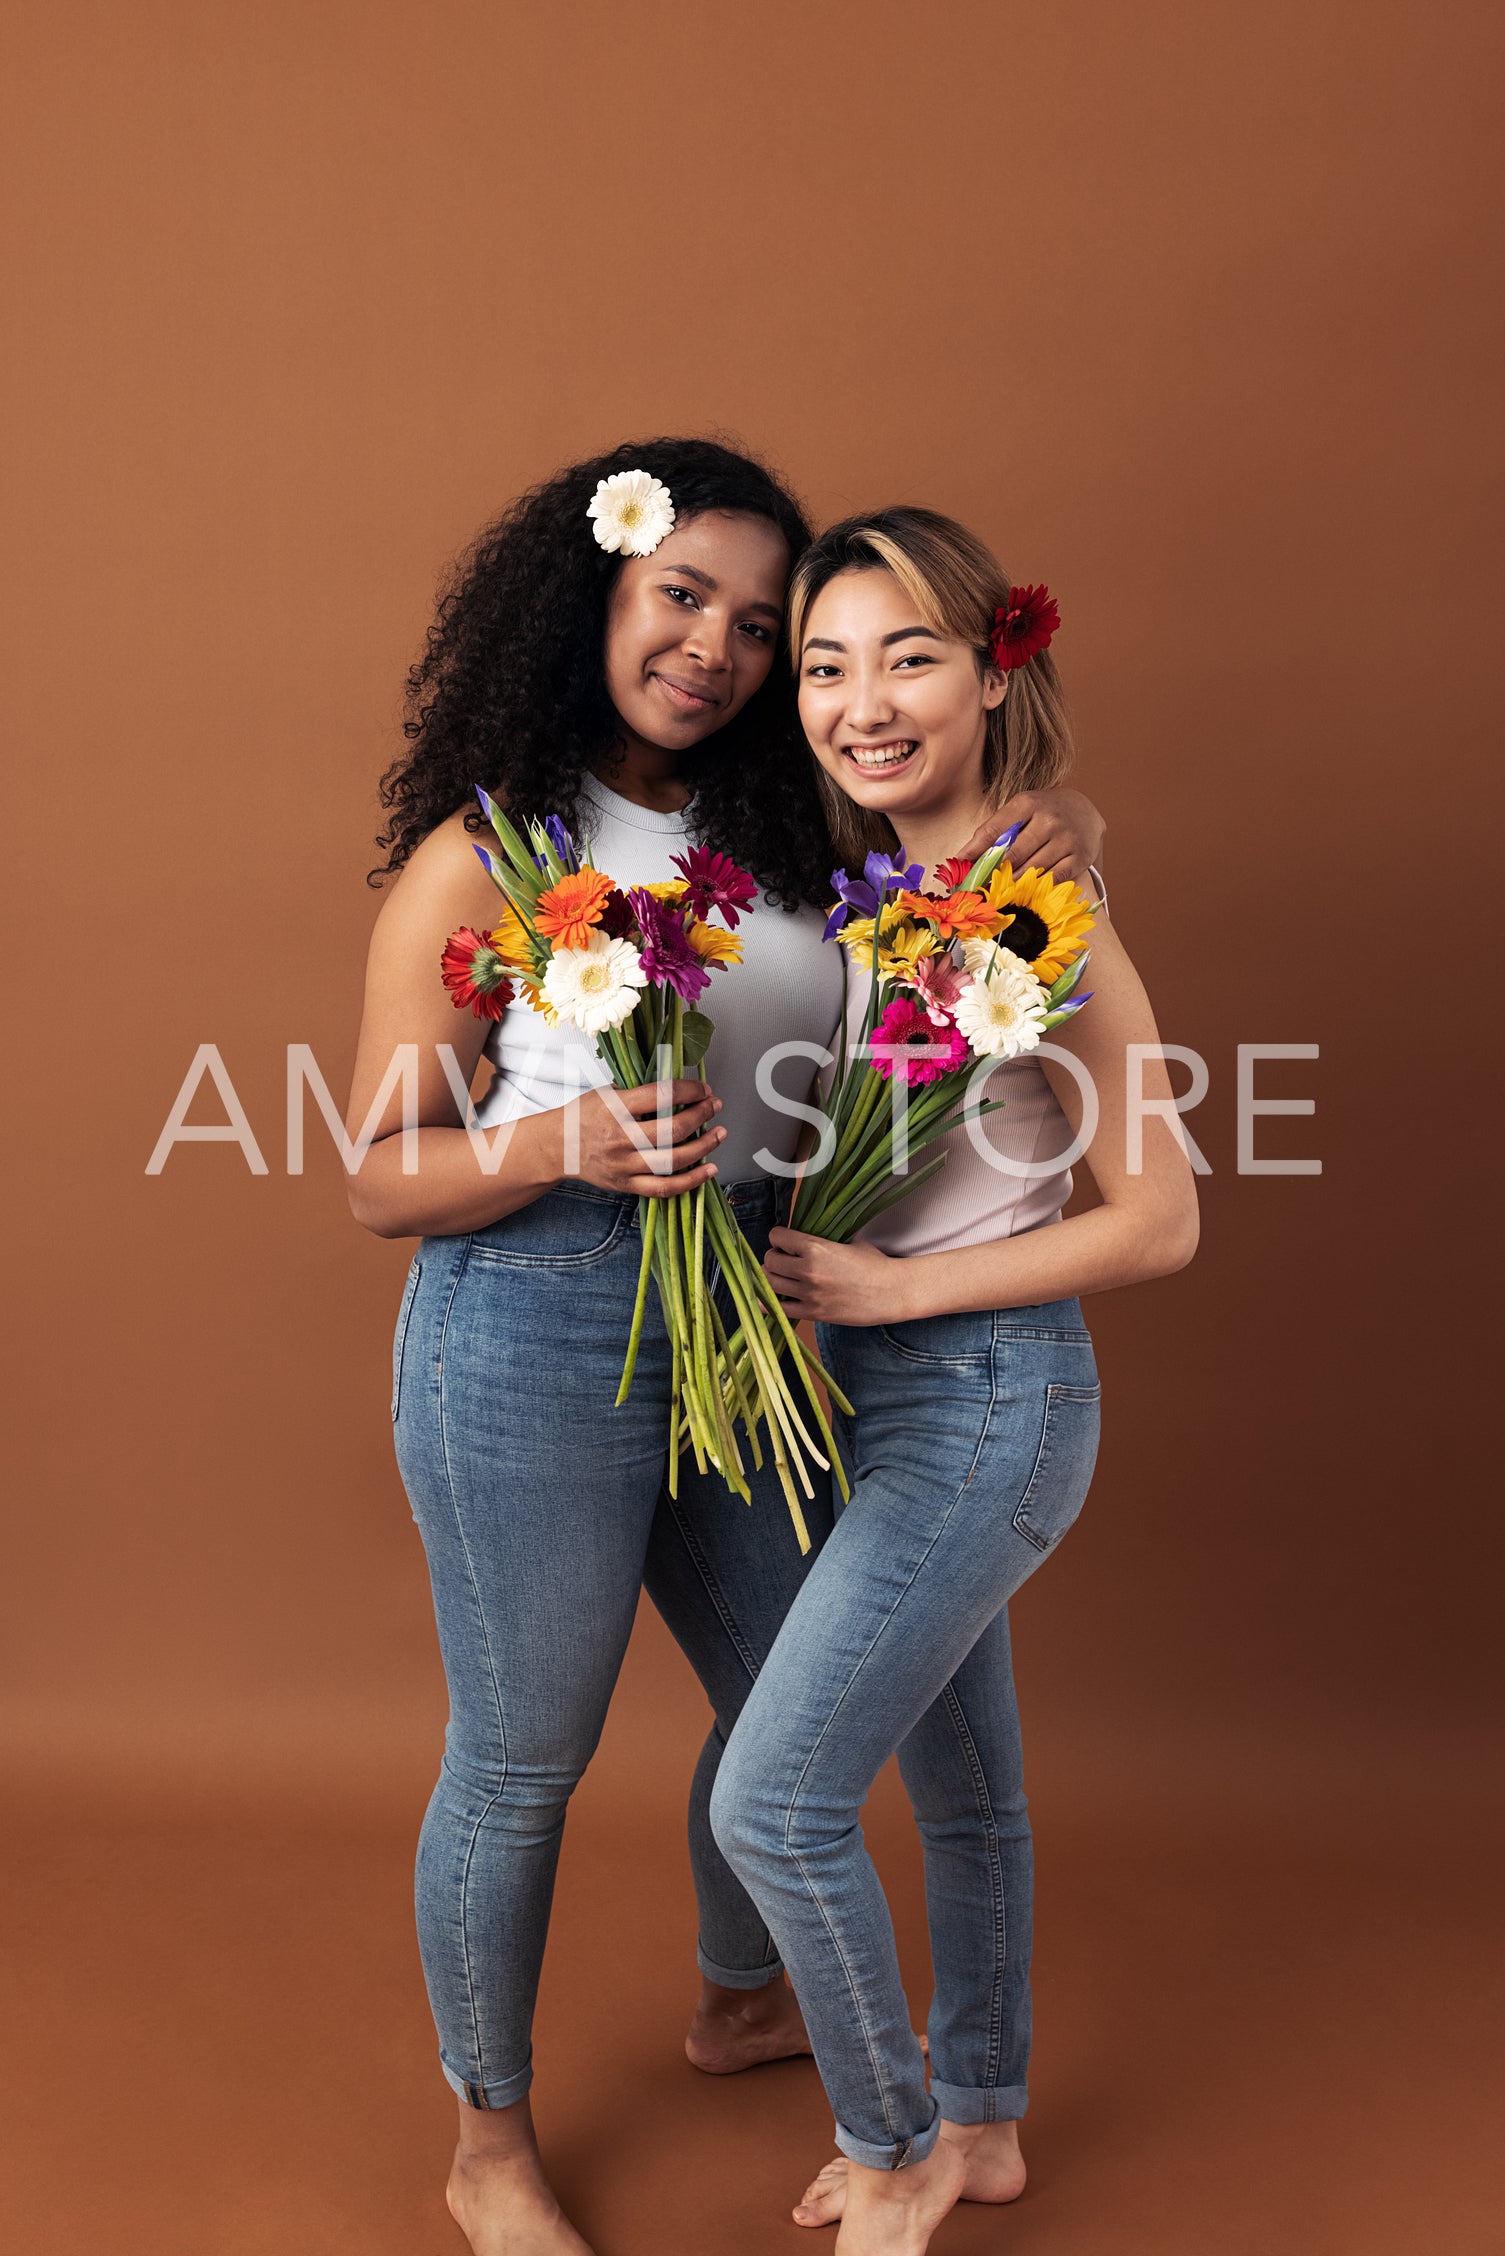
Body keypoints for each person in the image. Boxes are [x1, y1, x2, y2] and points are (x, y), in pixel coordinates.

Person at [345, 449, 1106, 2256]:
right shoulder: (484, 859)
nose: (712, 648)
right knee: (524, 1755)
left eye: (759, 627)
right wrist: (559, 1145)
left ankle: (738, 1992)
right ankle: (487, 2142)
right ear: (590, 594)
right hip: (525, 1318)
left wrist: (1062, 820)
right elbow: (379, 1174)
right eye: (677, 595)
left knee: (792, 1723)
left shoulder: (791, 833)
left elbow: (975, 868)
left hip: (756, 1317)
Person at [711, 506, 1198, 2256]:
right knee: (967, 1800)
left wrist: (893, 1289)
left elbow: (1155, 1219)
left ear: (994, 669)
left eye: (908, 654)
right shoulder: (871, 903)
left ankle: (897, 2141)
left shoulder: (1035, 908)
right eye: (826, 665)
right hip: (871, 1395)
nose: (861, 700)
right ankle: (983, 2125)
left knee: (771, 1804)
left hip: (989, 1394)